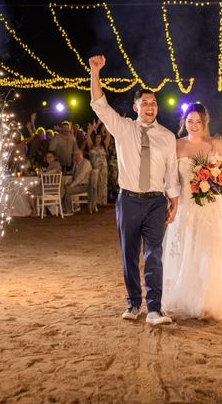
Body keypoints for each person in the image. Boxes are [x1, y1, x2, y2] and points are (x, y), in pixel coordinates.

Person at [89, 54, 180, 326]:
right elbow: (99, 105)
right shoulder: (123, 128)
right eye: (145, 103)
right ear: (136, 106)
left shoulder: (167, 136)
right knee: (129, 253)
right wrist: (95, 73)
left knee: (154, 254)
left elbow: (171, 171)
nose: (150, 107)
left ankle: (154, 309)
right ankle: (133, 303)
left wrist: (173, 201)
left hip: (155, 203)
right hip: (128, 201)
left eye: (153, 103)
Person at [161, 103, 222, 322]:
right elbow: (170, 179)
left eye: (198, 122)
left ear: (205, 122)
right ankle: (184, 299)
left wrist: (211, 181)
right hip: (185, 207)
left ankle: (207, 304)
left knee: (208, 253)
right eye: (189, 121)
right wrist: (170, 203)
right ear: (184, 122)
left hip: (210, 207)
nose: (193, 125)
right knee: (185, 251)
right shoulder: (176, 145)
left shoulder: (216, 144)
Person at [63, 149, 92, 214]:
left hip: (84, 185)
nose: (76, 156)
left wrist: (72, 185)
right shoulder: (76, 163)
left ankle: (69, 210)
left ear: (82, 155)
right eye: (74, 155)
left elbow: (81, 176)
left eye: (78, 154)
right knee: (63, 187)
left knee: (67, 191)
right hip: (78, 185)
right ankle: (73, 206)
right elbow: (74, 173)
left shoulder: (86, 163)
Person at [87, 131, 109, 206]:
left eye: (99, 137)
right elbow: (88, 135)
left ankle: (102, 201)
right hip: (95, 168)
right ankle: (94, 202)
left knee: (102, 183)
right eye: (97, 137)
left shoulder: (104, 145)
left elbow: (108, 135)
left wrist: (105, 126)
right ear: (94, 138)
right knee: (95, 184)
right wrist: (94, 127)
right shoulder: (91, 146)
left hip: (103, 167)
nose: (98, 139)